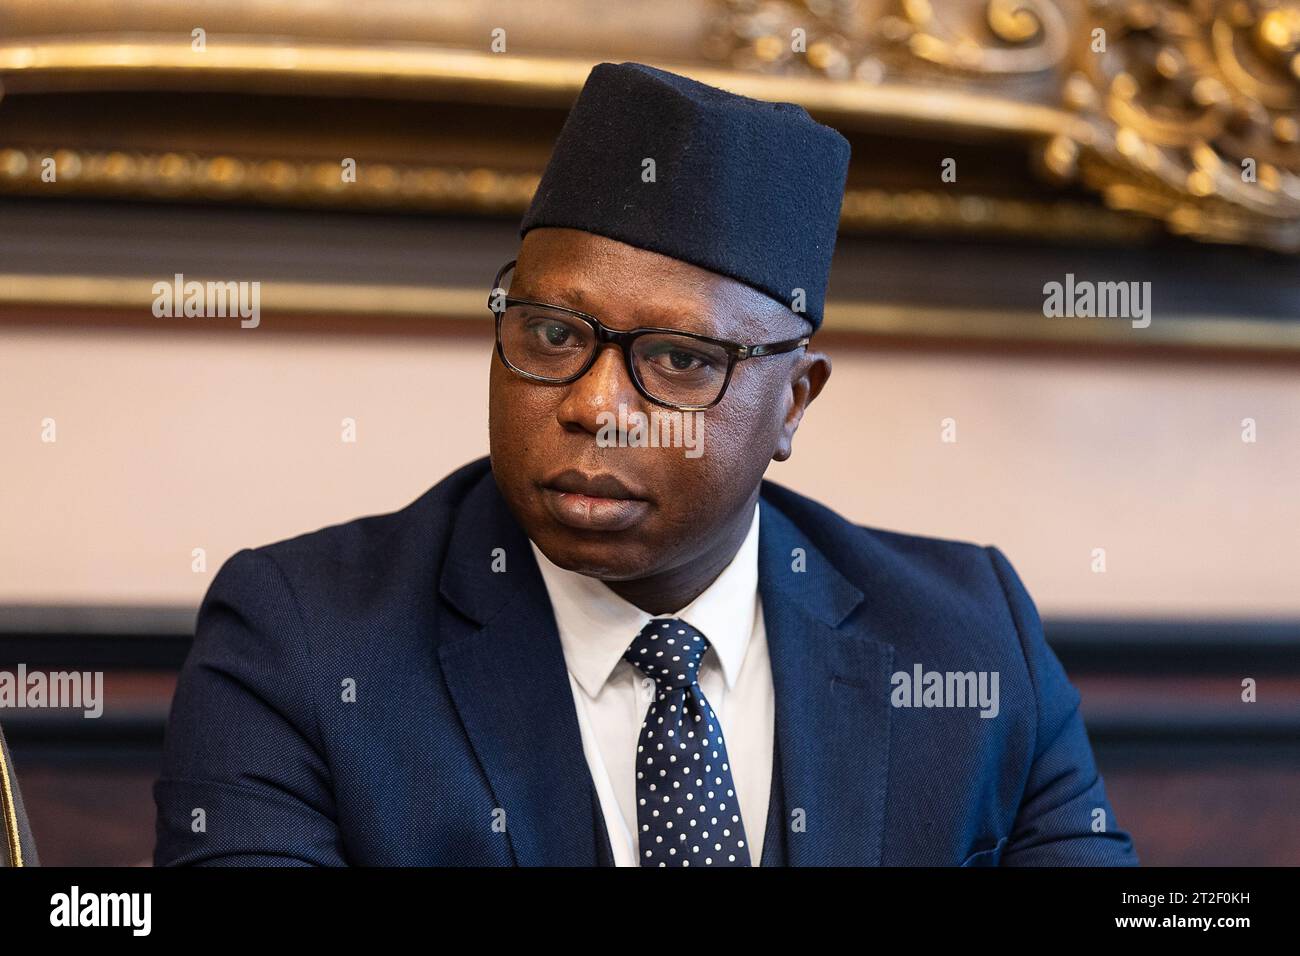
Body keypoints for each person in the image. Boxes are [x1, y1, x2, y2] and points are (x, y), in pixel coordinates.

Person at [154, 61, 1137, 866]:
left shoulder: (965, 639)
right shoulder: (303, 641)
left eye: (676, 361)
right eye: (549, 333)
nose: (591, 405)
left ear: (793, 402)